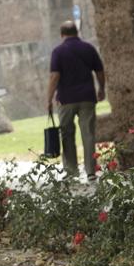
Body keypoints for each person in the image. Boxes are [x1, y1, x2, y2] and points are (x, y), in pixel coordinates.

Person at [46, 20, 105, 181]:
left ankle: (72, 171)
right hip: (87, 97)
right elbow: (99, 71)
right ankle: (91, 171)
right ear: (77, 32)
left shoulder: (58, 51)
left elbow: (54, 76)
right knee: (88, 134)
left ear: (62, 34)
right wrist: (101, 88)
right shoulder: (88, 48)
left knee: (67, 134)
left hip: (66, 99)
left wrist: (49, 99)